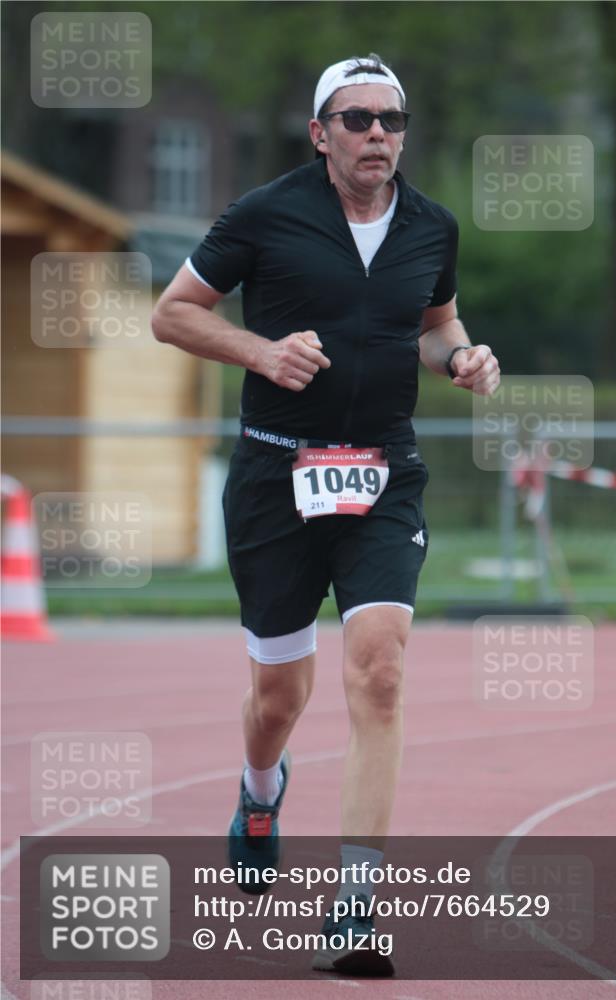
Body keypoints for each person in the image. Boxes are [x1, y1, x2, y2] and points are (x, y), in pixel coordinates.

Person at [152, 53, 500, 977]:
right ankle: (259, 790)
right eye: (356, 120)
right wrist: (262, 354)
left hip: (384, 475)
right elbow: (173, 314)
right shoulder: (265, 214)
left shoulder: (432, 225)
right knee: (279, 697)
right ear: (320, 133)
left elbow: (435, 324)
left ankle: (353, 911)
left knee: (378, 675)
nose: (377, 134)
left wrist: (463, 358)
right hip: (275, 480)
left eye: (391, 118)